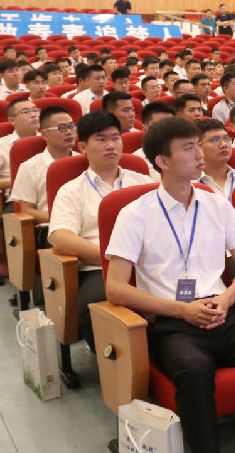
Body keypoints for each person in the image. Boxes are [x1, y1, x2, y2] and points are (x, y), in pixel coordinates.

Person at [105, 117, 235, 453]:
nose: (199, 154)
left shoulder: (216, 203)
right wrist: (182, 310)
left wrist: (228, 299)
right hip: (174, 325)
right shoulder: (135, 214)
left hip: (225, 313)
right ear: (162, 161)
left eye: (197, 145)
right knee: (193, 368)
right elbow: (115, 288)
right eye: (189, 148)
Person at [48, 111, 153, 351]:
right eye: (101, 139)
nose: (111, 145)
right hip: (99, 268)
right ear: (82, 147)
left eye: (115, 138)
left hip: (151, 262)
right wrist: (113, 258)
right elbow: (61, 237)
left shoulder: (144, 182)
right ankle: (119, 365)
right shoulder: (72, 190)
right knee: (97, 304)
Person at [9, 106, 77, 248]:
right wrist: (61, 219)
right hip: (50, 228)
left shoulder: (84, 161)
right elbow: (26, 210)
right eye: (62, 128)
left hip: (86, 226)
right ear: (45, 134)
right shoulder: (30, 167)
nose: (69, 132)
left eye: (71, 127)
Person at [0, 99, 40, 194]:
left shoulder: (50, 140)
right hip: (17, 196)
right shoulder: (0, 145)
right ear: (12, 120)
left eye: (35, 110)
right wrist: (22, 181)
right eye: (25, 112)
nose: (33, 115)